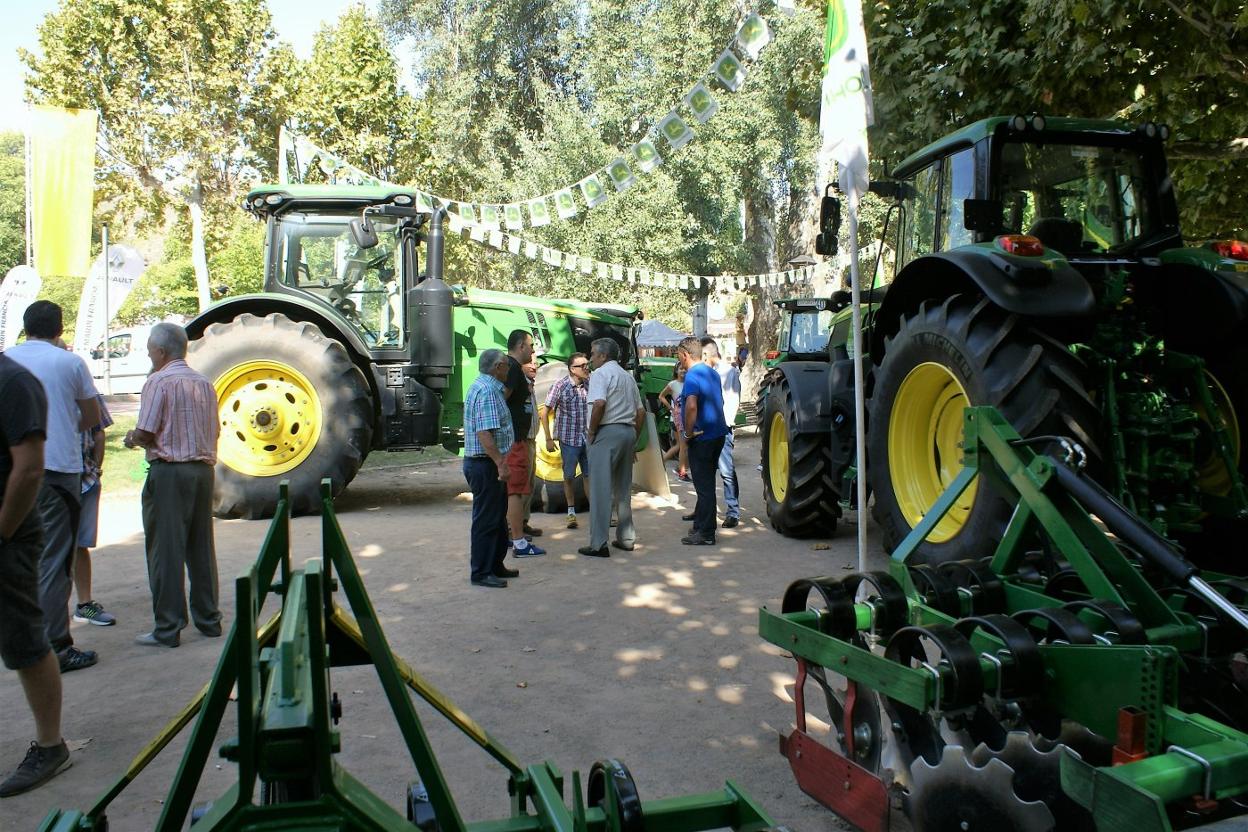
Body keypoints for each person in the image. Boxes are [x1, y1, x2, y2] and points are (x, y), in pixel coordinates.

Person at [6, 301, 101, 673]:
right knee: (55, 560)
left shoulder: (8, 360)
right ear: (60, 329)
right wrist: (59, 430)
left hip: (11, 468)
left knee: (16, 554)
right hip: (58, 470)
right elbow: (92, 419)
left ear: (25, 326)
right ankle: (56, 646)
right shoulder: (71, 363)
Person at [0, 348, 73, 798]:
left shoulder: (14, 383)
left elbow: (28, 470)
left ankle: (50, 745)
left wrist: (2, 532)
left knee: (22, 636)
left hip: (8, 530)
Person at [123, 323, 221, 648]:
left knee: (165, 549)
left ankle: (168, 627)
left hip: (169, 472)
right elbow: (215, 429)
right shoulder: (203, 382)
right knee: (200, 548)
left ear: (161, 352)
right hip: (202, 471)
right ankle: (209, 620)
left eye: (150, 349)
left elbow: (147, 432)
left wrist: (131, 439)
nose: (149, 355)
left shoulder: (158, 381)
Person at [578, 338, 644, 558]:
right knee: (623, 489)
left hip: (606, 433)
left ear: (603, 356)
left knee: (600, 490)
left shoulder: (600, 375)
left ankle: (598, 543)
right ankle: (626, 538)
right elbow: (641, 412)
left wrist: (591, 432)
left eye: (593, 354)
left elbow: (599, 404)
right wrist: (633, 437)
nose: (590, 358)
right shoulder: (627, 377)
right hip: (627, 432)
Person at [461, 349, 515, 587]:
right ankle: (481, 572)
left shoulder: (486, 387)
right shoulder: (487, 391)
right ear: (497, 367)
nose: (509, 369)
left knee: (497, 516)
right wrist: (501, 464)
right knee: (487, 519)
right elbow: (485, 432)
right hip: (485, 464)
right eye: (506, 365)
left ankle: (494, 565)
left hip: (487, 463)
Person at [677, 336, 729, 545]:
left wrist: (688, 434)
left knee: (704, 486)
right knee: (705, 483)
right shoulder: (712, 373)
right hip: (717, 434)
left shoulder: (692, 376)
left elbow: (690, 406)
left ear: (685, 354)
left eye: (679, 355)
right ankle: (700, 524)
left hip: (702, 437)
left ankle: (706, 533)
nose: (678, 360)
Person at [72, 393, 116, 626]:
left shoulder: (86, 389)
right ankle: (45, 612)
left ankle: (84, 605)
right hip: (49, 482)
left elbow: (99, 431)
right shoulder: (36, 383)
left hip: (85, 480)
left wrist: (96, 470)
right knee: (49, 549)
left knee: (81, 545)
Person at [502, 330, 545, 557]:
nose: (533, 351)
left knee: (522, 488)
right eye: (531, 346)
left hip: (521, 439)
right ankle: (516, 539)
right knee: (515, 491)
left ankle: (519, 529)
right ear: (520, 346)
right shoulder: (512, 370)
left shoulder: (516, 372)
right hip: (514, 440)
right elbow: (501, 401)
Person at [543, 352, 590, 528]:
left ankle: (596, 512)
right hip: (568, 439)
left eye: (587, 364)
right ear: (572, 369)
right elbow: (544, 411)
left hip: (587, 437)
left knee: (589, 475)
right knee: (569, 476)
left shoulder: (590, 383)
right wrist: (548, 438)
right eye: (582, 365)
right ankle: (571, 512)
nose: (586, 368)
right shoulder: (560, 386)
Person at [700, 338, 741, 528]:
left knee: (726, 470)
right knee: (704, 471)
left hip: (722, 427)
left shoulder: (728, 371)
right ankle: (702, 509)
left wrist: (727, 425)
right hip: (707, 427)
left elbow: (732, 398)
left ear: (707, 353)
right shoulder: (707, 372)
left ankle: (733, 511)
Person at [658, 363, 689, 481]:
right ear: (676, 371)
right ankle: (682, 472)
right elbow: (661, 396)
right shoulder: (673, 384)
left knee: (681, 446)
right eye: (681, 369)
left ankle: (675, 466)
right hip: (678, 418)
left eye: (685, 368)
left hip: (688, 416)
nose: (683, 371)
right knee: (683, 446)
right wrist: (670, 408)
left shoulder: (689, 383)